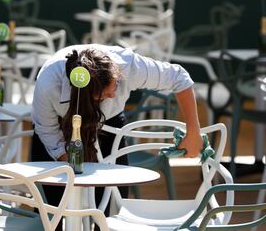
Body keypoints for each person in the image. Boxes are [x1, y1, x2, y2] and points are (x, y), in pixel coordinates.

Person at [31, 44, 204, 229]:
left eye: (116, 86)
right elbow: (47, 130)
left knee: (108, 209)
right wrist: (70, 163)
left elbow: (180, 77)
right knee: (50, 213)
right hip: (59, 127)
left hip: (109, 125)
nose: (114, 94)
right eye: (105, 94)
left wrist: (193, 131)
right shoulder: (49, 82)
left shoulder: (128, 66)